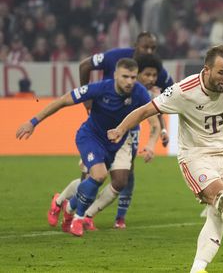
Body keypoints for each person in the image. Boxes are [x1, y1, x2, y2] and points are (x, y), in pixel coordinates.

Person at [107, 45, 223, 273]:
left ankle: (197, 269)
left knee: (217, 215)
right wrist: (120, 129)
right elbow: (144, 111)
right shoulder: (183, 90)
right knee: (222, 199)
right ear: (206, 70)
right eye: (221, 72)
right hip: (195, 155)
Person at [17, 58, 154, 237]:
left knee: (92, 182)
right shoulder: (99, 88)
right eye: (125, 77)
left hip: (113, 144)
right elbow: (63, 100)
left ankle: (67, 207)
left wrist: (155, 137)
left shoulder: (139, 92)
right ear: (115, 75)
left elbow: (151, 111)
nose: (129, 82)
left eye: (133, 77)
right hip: (90, 137)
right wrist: (33, 121)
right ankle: (78, 219)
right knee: (99, 175)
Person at [47, 54, 164, 232]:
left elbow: (155, 118)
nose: (151, 79)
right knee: (91, 179)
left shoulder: (143, 93)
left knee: (120, 180)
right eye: (147, 75)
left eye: (154, 76)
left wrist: (153, 141)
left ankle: (86, 216)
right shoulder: (112, 86)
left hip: (125, 139)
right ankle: (60, 201)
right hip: (100, 137)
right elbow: (84, 70)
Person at [68, 32, 172, 229]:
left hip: (127, 131)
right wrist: (86, 96)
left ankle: (96, 217)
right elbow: (85, 65)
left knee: (124, 176)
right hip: (100, 126)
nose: (148, 51)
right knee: (91, 176)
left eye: (152, 48)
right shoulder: (115, 57)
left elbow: (164, 101)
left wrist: (163, 131)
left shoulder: (154, 72)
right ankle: (63, 204)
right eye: (145, 47)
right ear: (135, 45)